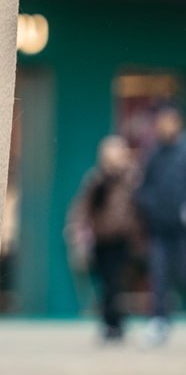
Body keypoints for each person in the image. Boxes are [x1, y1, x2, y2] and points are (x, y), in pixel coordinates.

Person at [136, 103, 186, 346]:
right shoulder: (154, 151)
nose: (163, 126)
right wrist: (149, 207)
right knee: (158, 273)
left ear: (178, 121)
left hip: (184, 226)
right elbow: (144, 186)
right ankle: (159, 322)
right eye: (159, 121)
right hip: (159, 226)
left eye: (167, 120)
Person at [67, 135, 140, 341]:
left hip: (122, 238)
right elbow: (82, 206)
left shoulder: (132, 178)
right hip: (101, 239)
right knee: (106, 281)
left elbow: (140, 209)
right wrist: (76, 229)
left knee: (115, 281)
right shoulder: (96, 179)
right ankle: (112, 322)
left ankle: (113, 322)